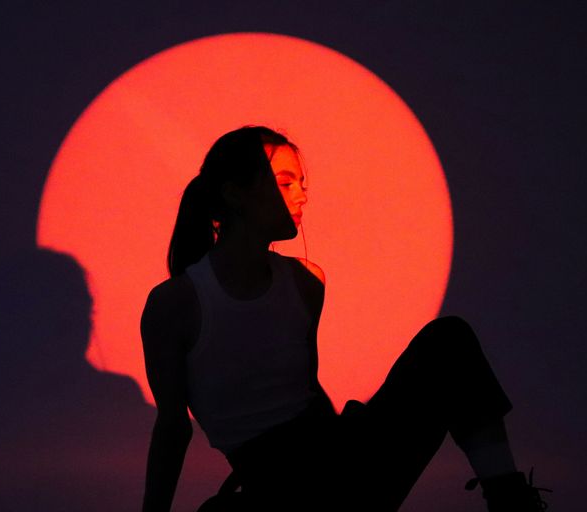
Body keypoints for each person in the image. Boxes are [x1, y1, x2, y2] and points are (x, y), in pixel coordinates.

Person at [140, 126, 550, 511]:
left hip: (336, 461)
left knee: (448, 341)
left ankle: (510, 500)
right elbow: (173, 428)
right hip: (278, 484)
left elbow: (306, 394)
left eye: (303, 184)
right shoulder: (175, 303)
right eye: (285, 183)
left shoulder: (305, 281)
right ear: (235, 194)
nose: (302, 196)